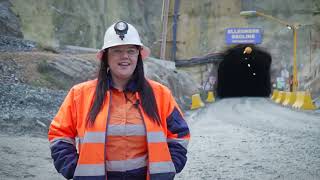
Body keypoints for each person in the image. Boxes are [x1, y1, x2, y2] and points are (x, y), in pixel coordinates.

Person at [48, 20, 190, 180]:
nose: (125, 56)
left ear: (139, 55)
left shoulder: (160, 94)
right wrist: (74, 169)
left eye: (131, 51)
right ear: (106, 56)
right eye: (117, 51)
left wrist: (169, 165)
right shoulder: (79, 94)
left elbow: (180, 134)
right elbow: (59, 134)